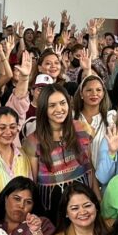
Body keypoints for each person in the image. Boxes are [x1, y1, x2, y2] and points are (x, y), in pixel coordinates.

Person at [24, 84, 95, 222]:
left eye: (62, 103)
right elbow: (33, 180)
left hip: (83, 200)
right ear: (44, 108)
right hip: (52, 206)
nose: (59, 109)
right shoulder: (33, 140)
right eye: (52, 105)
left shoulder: (82, 128)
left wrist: (97, 197)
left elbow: (90, 166)